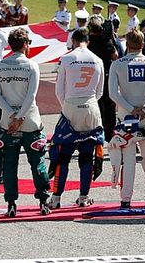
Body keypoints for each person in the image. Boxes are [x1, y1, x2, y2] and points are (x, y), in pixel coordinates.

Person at [0, 28, 52, 217]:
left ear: (10, 44)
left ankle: (11, 203)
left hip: (7, 122)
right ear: (26, 45)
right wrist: (21, 117)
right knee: (38, 162)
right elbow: (31, 95)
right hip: (30, 122)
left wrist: (12, 115)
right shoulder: (32, 65)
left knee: (8, 164)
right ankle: (43, 201)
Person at [48, 27, 105, 209]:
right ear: (88, 41)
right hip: (91, 106)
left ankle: (56, 198)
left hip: (71, 105)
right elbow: (100, 91)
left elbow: (59, 90)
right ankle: (84, 196)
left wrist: (68, 105)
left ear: (73, 41)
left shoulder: (66, 59)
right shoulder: (97, 60)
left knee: (63, 154)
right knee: (87, 155)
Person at [108, 29, 145, 210]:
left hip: (126, 118)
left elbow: (113, 94)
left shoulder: (117, 65)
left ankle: (125, 201)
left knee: (129, 161)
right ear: (143, 44)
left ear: (127, 45)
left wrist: (131, 109)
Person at [86, 19, 120, 142]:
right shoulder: (106, 40)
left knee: (95, 104)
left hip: (92, 76)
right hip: (106, 75)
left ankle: (95, 130)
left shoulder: (88, 41)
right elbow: (115, 56)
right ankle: (109, 132)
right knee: (110, 106)